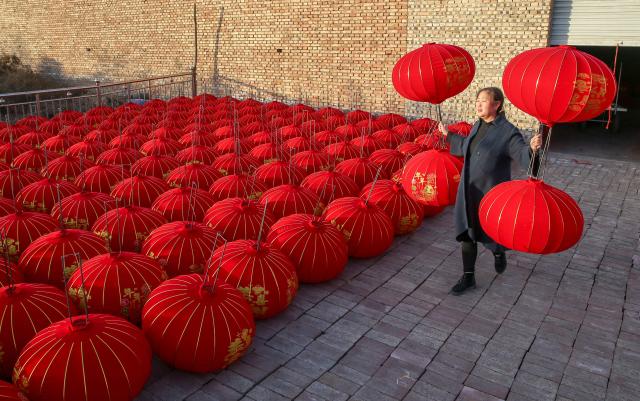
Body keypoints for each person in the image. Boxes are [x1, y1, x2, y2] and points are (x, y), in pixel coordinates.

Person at [440, 87, 542, 295]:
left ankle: (498, 252)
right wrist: (448, 135)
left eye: (483, 101)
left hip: (491, 194)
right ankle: (468, 277)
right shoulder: (477, 125)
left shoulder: (508, 131)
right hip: (468, 191)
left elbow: (521, 153)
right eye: (477, 100)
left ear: (497, 105)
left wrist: (531, 149)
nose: (478, 104)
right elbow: (467, 146)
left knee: (492, 232)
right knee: (467, 233)